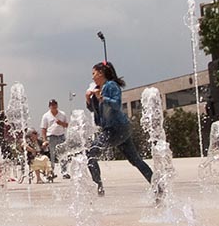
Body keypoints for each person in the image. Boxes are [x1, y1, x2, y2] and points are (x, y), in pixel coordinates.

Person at [85, 61, 153, 197]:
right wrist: (89, 99)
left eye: (94, 73)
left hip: (116, 129)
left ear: (101, 73)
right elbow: (96, 111)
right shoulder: (100, 89)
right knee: (135, 160)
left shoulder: (111, 86)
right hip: (116, 129)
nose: (92, 77)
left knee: (91, 153)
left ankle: (98, 187)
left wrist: (102, 97)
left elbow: (116, 104)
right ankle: (158, 185)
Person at [40, 99, 69, 181]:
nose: (53, 106)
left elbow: (67, 125)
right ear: (49, 106)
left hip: (61, 136)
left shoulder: (62, 114)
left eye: (55, 104)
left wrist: (61, 123)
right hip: (51, 137)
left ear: (57, 105)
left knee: (63, 154)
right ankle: (51, 172)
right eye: (52, 105)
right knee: (51, 156)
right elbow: (43, 129)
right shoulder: (46, 116)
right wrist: (44, 140)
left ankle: (64, 172)